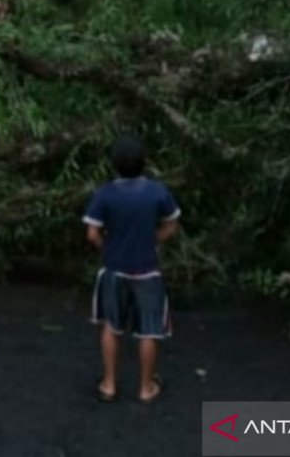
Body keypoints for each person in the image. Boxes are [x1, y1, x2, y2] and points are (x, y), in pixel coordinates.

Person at [82, 135, 181, 403]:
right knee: (150, 330)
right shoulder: (157, 191)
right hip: (147, 269)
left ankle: (109, 384)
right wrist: (154, 240)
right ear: (144, 162)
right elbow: (171, 224)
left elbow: (92, 233)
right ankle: (146, 387)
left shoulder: (105, 193)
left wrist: (108, 247)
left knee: (112, 326)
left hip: (114, 268)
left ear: (114, 164)